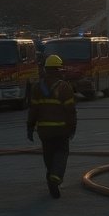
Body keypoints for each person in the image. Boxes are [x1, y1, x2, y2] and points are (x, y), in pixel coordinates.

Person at [27, 54, 77, 198]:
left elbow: (33, 110)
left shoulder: (37, 87)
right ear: (58, 70)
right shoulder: (64, 87)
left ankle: (51, 180)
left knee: (48, 155)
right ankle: (55, 177)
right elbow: (70, 110)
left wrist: (30, 128)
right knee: (62, 153)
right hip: (61, 130)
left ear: (46, 70)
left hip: (44, 131)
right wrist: (72, 127)